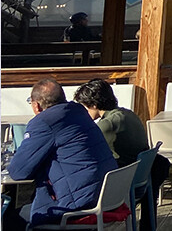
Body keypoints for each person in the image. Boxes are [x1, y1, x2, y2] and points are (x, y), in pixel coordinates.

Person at [8, 79, 117, 227]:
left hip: (78, 204)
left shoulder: (44, 122)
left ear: (36, 105)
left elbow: (18, 171)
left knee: (8, 214)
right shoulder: (79, 113)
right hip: (106, 196)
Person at [73, 79, 169, 231]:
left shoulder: (107, 125)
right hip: (142, 180)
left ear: (94, 104)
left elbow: (83, 153)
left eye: (83, 106)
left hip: (123, 187)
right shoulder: (129, 114)